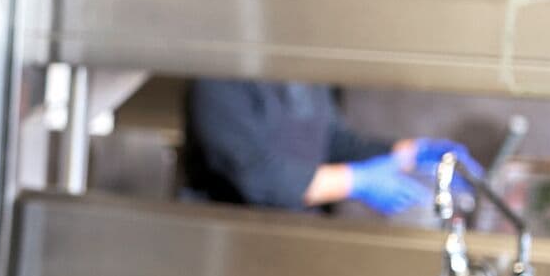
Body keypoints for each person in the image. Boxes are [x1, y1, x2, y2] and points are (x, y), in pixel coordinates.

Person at [179, 80, 468, 214]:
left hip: (297, 236)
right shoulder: (219, 80)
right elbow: (257, 175)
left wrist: (409, 154)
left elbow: (331, 141)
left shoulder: (303, 73)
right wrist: (356, 181)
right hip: (229, 238)